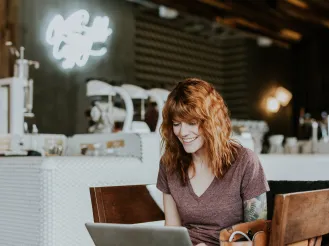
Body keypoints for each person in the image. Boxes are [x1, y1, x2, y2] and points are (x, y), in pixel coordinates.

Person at [156, 78, 269, 246]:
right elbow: (172, 232)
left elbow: (259, 238)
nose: (183, 132)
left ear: (212, 122)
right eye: (176, 124)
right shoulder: (169, 164)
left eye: (192, 123)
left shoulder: (244, 161)